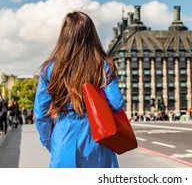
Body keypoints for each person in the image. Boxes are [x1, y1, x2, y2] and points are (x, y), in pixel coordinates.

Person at [34, 11, 125, 168]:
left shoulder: (49, 69)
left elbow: (41, 115)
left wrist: (52, 141)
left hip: (63, 137)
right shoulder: (103, 66)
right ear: (92, 36)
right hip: (98, 138)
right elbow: (116, 103)